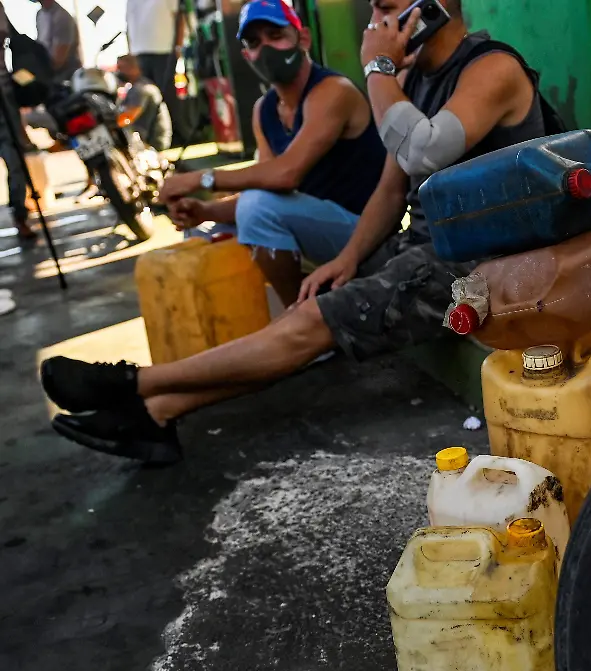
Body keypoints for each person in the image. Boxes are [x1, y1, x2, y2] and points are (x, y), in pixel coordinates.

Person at [41, 0, 551, 465]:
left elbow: (425, 150)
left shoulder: (491, 68)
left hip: (481, 266)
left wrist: (378, 69)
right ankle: (157, 413)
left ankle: (130, 383)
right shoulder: (410, 81)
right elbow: (391, 190)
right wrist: (347, 258)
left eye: (389, 6)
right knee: (311, 309)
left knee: (310, 320)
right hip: (424, 248)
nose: (376, 16)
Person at [158, 0, 387, 306]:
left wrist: (202, 179)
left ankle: (303, 318)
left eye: (275, 35)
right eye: (254, 43)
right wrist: (204, 211)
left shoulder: (332, 91)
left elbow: (285, 175)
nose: (266, 49)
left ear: (303, 39)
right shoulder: (264, 110)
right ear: (246, 55)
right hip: (315, 229)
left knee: (257, 208)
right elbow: (266, 188)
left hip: (365, 235)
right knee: (204, 236)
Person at [126, 0, 187, 144]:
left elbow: (179, 17)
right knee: (145, 96)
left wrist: (178, 46)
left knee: (166, 94)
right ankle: (149, 137)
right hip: (139, 52)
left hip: (164, 49)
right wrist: (131, 51)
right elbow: (129, 25)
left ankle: (175, 135)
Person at [0, 1, 32, 239]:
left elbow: (8, 37)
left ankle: (20, 214)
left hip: (4, 94)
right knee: (14, 156)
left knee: (14, 157)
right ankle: (20, 215)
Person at [115, 54, 173, 150]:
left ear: (133, 68)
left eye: (121, 68)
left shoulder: (141, 89)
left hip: (153, 141)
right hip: (154, 138)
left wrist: (111, 126)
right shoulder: (141, 85)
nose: (118, 72)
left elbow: (128, 117)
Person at [33, 0, 81, 83]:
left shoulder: (62, 17)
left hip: (65, 77)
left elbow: (59, 60)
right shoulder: (40, 14)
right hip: (48, 71)